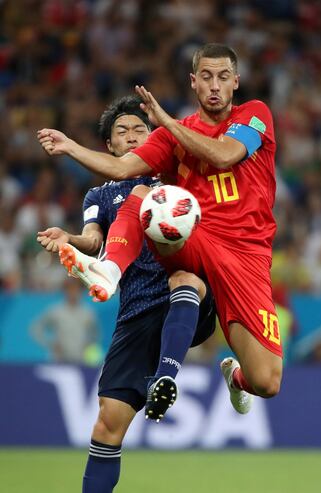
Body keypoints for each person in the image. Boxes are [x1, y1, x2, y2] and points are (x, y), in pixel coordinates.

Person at [38, 42, 282, 412]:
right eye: (206, 77)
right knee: (145, 194)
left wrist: (166, 122)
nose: (214, 85)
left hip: (248, 256)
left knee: (267, 381)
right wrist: (71, 146)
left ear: (236, 82)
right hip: (198, 237)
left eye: (223, 77)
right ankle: (108, 269)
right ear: (193, 82)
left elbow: (224, 154)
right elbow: (121, 168)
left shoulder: (254, 115)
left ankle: (236, 379)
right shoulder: (171, 136)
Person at [37, 95, 216, 493]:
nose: (133, 136)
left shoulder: (174, 178)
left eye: (140, 129)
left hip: (185, 297)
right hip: (136, 311)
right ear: (111, 147)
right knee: (107, 423)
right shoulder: (98, 197)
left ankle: (164, 378)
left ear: (153, 137)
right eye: (123, 132)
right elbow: (92, 238)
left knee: (187, 279)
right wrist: (69, 239)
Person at [31, 278, 101, 364]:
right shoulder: (56, 311)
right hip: (59, 360)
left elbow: (96, 333)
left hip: (80, 360)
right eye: (70, 289)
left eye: (76, 289)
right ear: (66, 291)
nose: (73, 292)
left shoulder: (87, 312)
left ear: (80, 291)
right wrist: (50, 343)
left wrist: (88, 344)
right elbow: (36, 327)